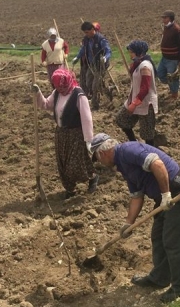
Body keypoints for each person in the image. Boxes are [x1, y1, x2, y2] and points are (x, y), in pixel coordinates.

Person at [89, 133, 180, 303]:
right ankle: (160, 278)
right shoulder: (122, 165)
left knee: (176, 241)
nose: (100, 164)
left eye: (97, 159)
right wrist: (128, 223)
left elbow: (157, 163)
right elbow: (136, 197)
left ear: (101, 153)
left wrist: (166, 195)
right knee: (158, 236)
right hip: (165, 198)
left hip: (177, 193)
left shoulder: (128, 150)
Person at [32, 68, 99, 199]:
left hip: (76, 134)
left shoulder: (79, 95)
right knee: (62, 164)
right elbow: (46, 105)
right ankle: (70, 189)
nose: (60, 89)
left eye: (61, 86)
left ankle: (93, 177)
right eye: (57, 87)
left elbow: (87, 118)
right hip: (61, 134)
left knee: (74, 164)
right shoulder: (57, 93)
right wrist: (38, 93)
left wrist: (88, 139)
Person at [115, 40, 158, 145]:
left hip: (146, 103)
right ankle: (134, 143)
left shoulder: (145, 66)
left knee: (147, 134)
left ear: (139, 52)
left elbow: (145, 89)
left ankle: (150, 154)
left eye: (131, 52)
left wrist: (134, 104)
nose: (130, 54)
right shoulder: (138, 63)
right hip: (135, 99)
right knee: (121, 119)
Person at [72, 21, 112, 110]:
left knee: (95, 86)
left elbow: (108, 51)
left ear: (92, 30)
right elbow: (83, 49)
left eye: (87, 32)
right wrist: (77, 57)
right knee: (88, 82)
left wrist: (105, 57)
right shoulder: (86, 39)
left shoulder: (101, 39)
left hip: (100, 65)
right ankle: (107, 89)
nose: (86, 34)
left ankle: (95, 105)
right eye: (85, 33)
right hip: (91, 64)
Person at [156, 11, 180, 100]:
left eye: (165, 18)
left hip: (173, 59)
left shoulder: (177, 30)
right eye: (163, 18)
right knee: (160, 74)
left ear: (170, 18)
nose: (163, 20)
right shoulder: (166, 28)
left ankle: (174, 94)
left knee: (173, 77)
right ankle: (172, 86)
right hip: (164, 57)